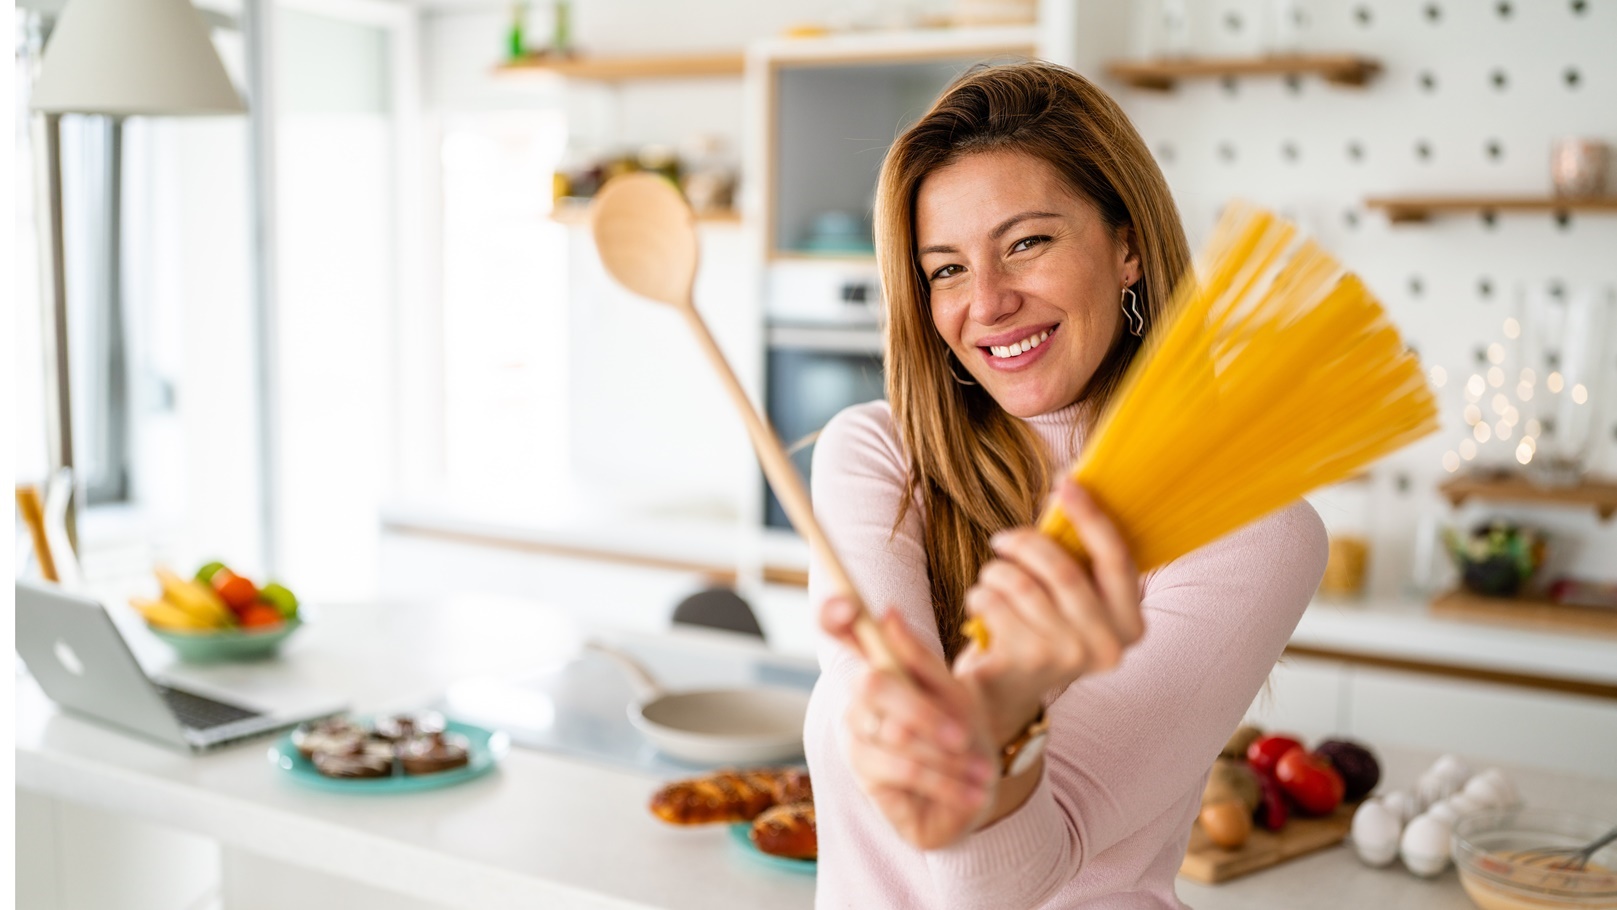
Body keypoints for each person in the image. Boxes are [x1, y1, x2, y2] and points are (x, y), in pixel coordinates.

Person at [804, 61, 1328, 909]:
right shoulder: (878, 458)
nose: (989, 302)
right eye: (945, 270)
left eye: (1026, 243)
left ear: (1126, 245)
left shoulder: (1249, 531)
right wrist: (958, 712)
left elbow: (990, 888)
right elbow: (892, 756)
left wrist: (1006, 707)